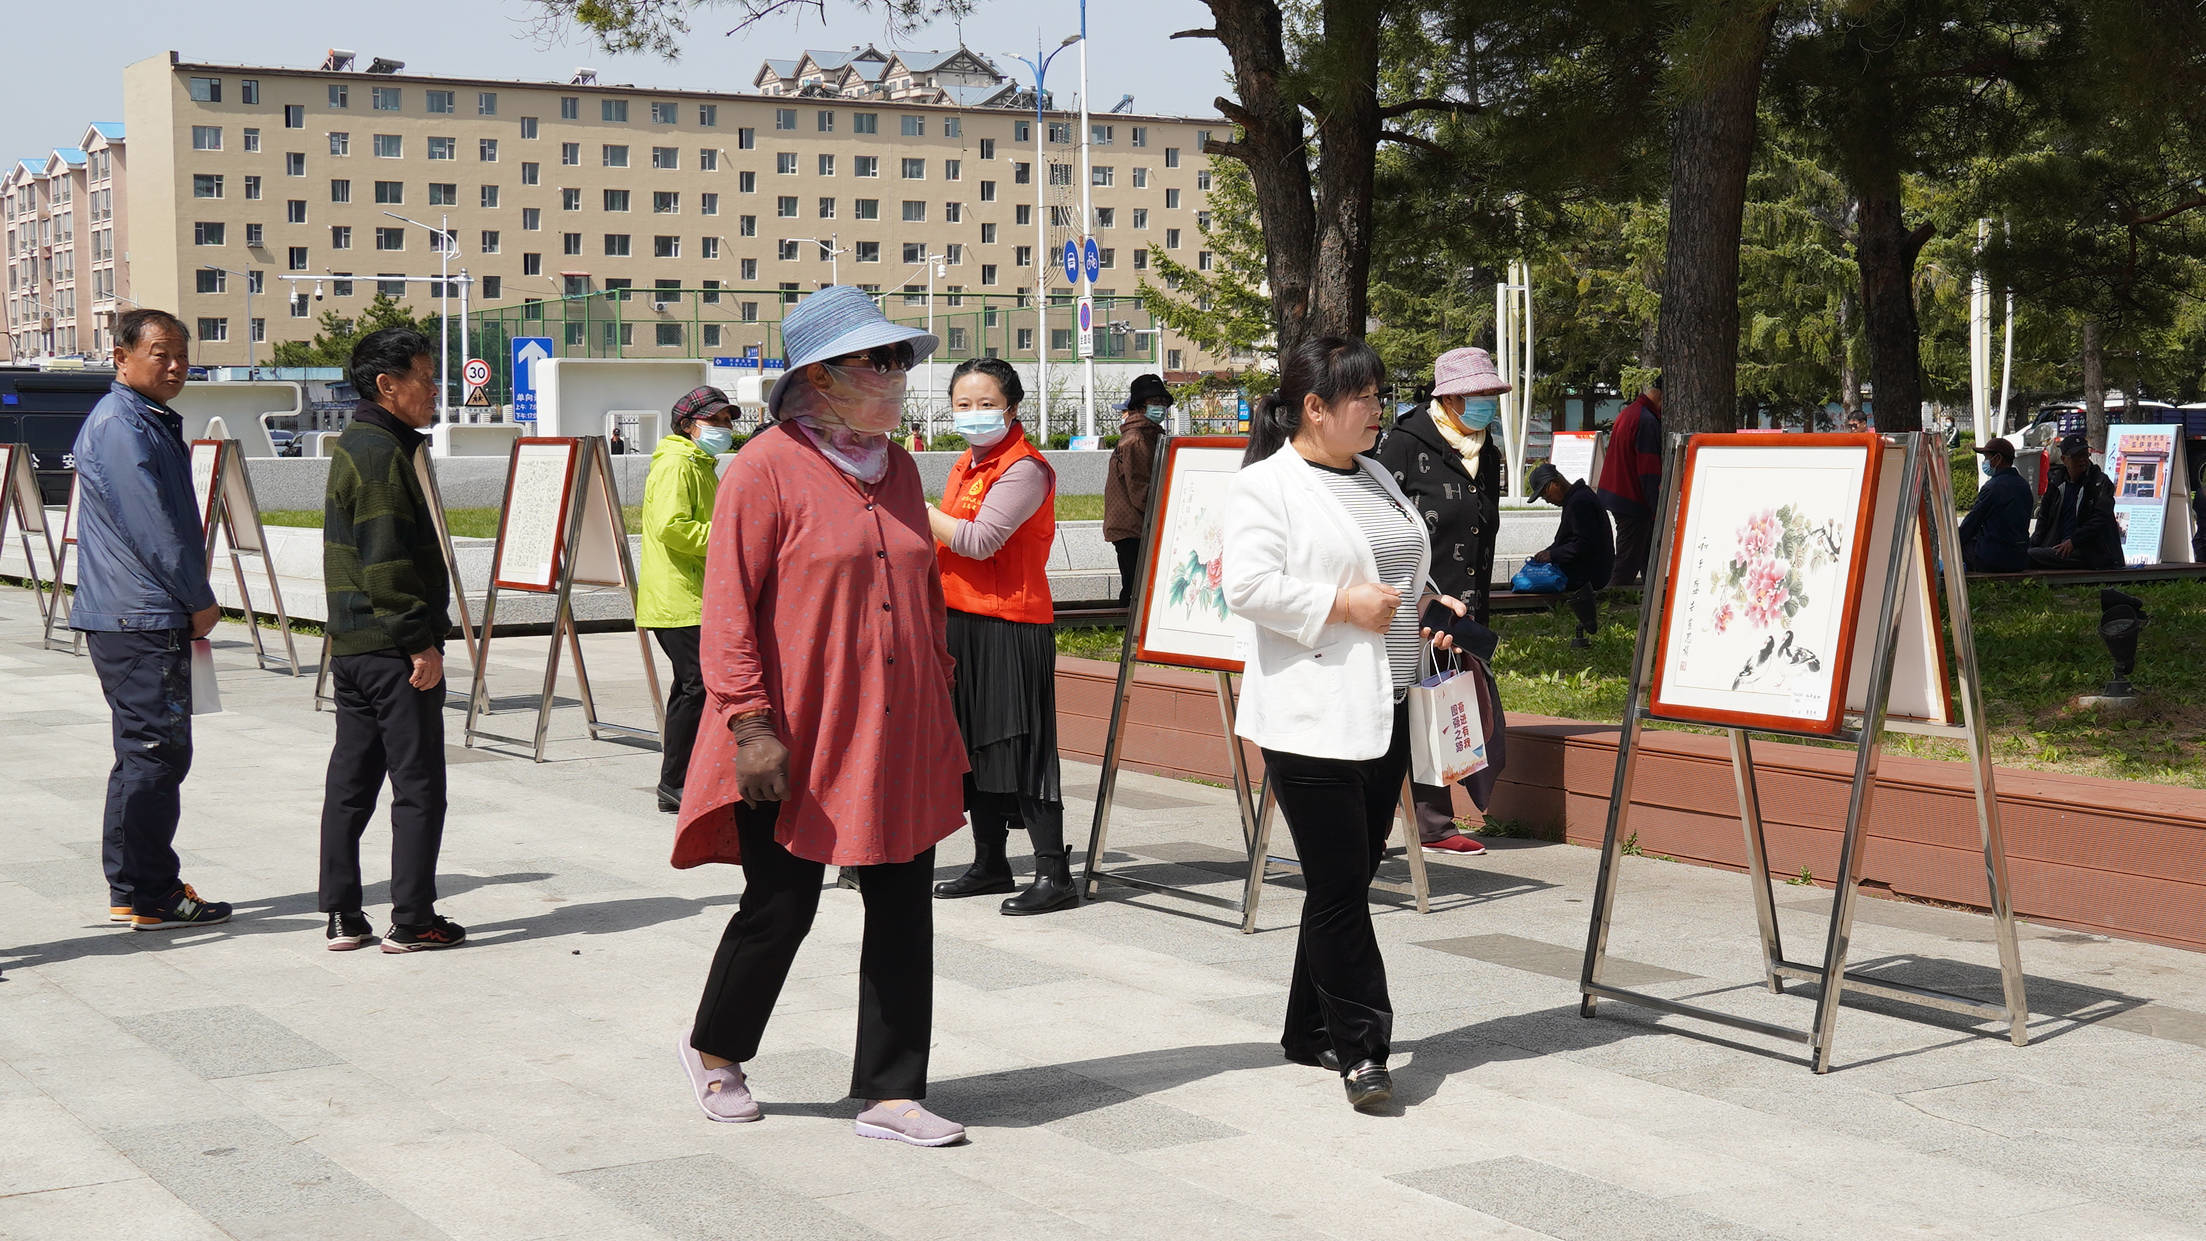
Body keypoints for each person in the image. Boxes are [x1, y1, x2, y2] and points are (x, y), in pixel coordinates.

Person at [670, 286, 969, 1146]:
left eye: (900, 359)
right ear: (820, 376)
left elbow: (924, 589)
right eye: (878, 359)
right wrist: (748, 723)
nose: (896, 374)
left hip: (900, 723)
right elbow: (727, 606)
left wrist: (940, 701)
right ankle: (717, 1050)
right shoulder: (764, 466)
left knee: (906, 904)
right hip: (793, 731)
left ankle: (890, 1088)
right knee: (780, 903)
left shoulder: (902, 467)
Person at [1223, 334, 1469, 1112]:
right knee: (1338, 885)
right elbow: (1250, 587)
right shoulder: (1266, 486)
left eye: (1378, 393)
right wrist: (1341, 605)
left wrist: (1429, 607)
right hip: (1309, 716)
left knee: (1347, 878)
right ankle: (1364, 1047)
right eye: (1360, 397)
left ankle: (1306, 1027)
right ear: (1314, 408)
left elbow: (1397, 571)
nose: (1376, 409)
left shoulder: (1376, 474)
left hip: (1386, 705)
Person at [71, 308, 231, 931]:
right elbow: (155, 529)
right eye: (160, 352)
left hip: (136, 609)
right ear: (121, 357)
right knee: (154, 753)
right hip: (139, 613)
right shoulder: (122, 425)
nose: (174, 365)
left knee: (144, 753)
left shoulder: (144, 419)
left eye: (182, 354)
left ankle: (134, 885)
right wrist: (197, 597)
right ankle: (151, 891)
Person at [318, 328, 465, 953]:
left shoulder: (362, 442)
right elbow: (386, 560)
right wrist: (418, 643)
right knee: (418, 784)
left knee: (350, 784)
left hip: (353, 646)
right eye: (426, 379)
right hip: (388, 647)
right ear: (387, 386)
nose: (435, 390)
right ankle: (413, 919)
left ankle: (343, 915)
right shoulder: (379, 453)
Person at [924, 358, 1074, 914]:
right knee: (973, 747)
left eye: (985, 404)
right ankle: (991, 863)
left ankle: (1054, 873)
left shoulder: (1024, 469)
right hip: (960, 619)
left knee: (1021, 745)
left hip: (1012, 624)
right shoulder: (967, 463)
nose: (973, 414)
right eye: (963, 404)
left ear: (1012, 407)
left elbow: (980, 540)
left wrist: (916, 511)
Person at [1373, 347, 1508, 858]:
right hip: (1415, 603)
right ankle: (1379, 823)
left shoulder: (1485, 449)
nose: (1486, 406)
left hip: (1465, 605)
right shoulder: (1405, 444)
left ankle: (1433, 820)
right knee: (1403, 709)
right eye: (1477, 397)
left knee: (1444, 703)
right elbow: (1386, 526)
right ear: (1448, 397)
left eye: (1490, 397)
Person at [640, 386, 733, 813]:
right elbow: (672, 527)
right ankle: (673, 782)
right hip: (679, 598)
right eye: (714, 421)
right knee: (697, 685)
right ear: (687, 426)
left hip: (691, 594)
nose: (724, 428)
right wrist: (728, 539)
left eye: (726, 420)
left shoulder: (698, 462)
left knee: (691, 685)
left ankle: (683, 777)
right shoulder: (678, 464)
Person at [1528, 462, 1614, 647]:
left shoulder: (1579, 502)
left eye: (1545, 494)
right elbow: (1571, 541)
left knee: (1531, 582)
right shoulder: (1578, 498)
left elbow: (1582, 545)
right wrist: (1549, 552)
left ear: (1555, 484)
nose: (1547, 500)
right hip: (1590, 567)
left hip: (1589, 573)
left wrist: (1552, 555)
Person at [1104, 372, 1171, 608]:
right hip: (1133, 526)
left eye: (1163, 403)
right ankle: (1129, 634)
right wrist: (1166, 513)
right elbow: (1141, 489)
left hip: (1134, 525)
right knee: (1135, 588)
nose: (1161, 408)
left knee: (1138, 584)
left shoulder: (1147, 435)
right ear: (1140, 407)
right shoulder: (1137, 439)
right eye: (1155, 403)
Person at [1597, 374, 1663, 587]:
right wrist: (1657, 510)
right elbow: (1649, 471)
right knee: (1628, 560)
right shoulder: (1647, 421)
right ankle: (1612, 604)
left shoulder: (1631, 412)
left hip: (1619, 493)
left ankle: (1648, 600)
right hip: (1632, 498)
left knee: (1643, 553)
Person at [2028, 432, 2121, 570]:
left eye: (2085, 454)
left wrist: (2074, 541)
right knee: (2024, 554)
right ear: (2064, 459)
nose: (2082, 460)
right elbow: (2043, 519)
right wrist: (2033, 544)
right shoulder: (2055, 483)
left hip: (2089, 552)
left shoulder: (2099, 482)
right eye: (2077, 456)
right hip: (2058, 547)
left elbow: (2100, 518)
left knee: (2029, 557)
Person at [1959, 437, 2032, 574]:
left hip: (1993, 559)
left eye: (1987, 457)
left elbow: (1972, 522)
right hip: (2020, 558)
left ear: (1997, 458)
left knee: (1960, 544)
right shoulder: (2024, 485)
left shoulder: (1992, 487)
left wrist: (1954, 540)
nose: (1985, 462)